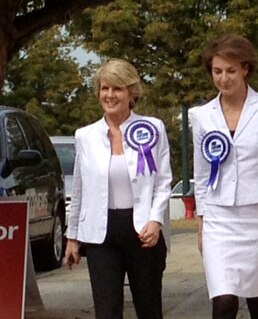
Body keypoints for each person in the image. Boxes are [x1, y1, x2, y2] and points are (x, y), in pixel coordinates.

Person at [192, 34, 258, 319]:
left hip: (257, 214)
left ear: (245, 69)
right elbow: (202, 173)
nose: (223, 78)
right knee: (224, 301)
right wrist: (201, 224)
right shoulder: (201, 116)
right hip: (219, 217)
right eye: (217, 71)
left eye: (230, 70)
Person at [64, 58, 172, 319]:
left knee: (149, 308)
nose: (110, 95)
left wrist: (156, 221)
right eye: (105, 88)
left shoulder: (152, 128)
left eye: (117, 89)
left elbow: (163, 181)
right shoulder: (85, 136)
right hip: (101, 234)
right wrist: (72, 237)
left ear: (131, 93)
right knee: (107, 310)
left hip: (142, 232)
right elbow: (79, 189)